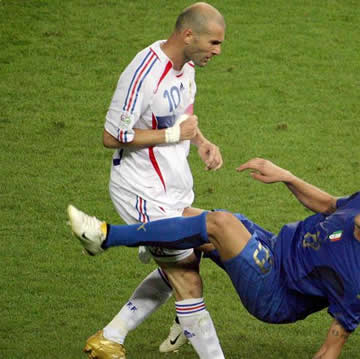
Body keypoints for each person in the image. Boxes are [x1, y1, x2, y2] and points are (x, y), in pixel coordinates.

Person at [68, 157, 360, 359]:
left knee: (219, 224)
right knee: (188, 222)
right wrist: (287, 176)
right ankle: (137, 327)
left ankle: (106, 236)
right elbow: (329, 204)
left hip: (275, 294)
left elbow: (333, 345)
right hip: (272, 246)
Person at [85, 3, 227, 359]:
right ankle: (192, 326)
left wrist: (201, 141)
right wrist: (172, 136)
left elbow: (182, 116)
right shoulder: (144, 72)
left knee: (205, 242)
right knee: (187, 277)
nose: (217, 51)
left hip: (173, 185)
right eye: (213, 42)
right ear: (187, 34)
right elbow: (111, 136)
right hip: (141, 190)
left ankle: (111, 336)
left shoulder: (187, 68)